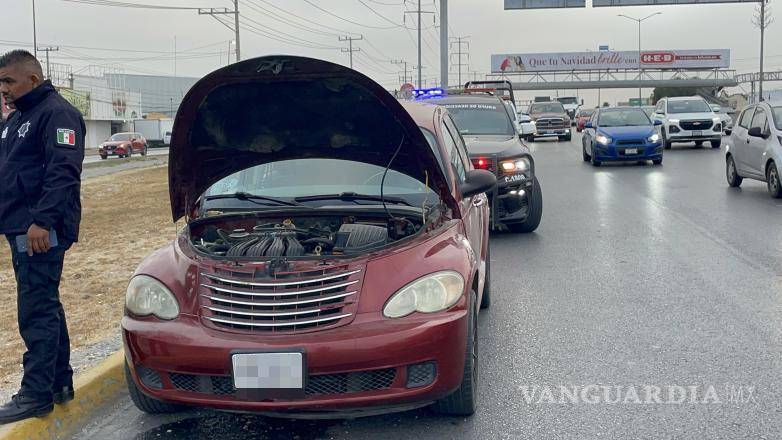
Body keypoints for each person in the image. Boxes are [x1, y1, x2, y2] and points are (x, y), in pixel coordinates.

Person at [0, 50, 85, 424]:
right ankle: (58, 383)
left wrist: (43, 222)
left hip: (38, 230)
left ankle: (35, 394)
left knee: (35, 311)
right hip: (20, 226)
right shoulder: (18, 117)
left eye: (8, 81)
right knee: (45, 304)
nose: (3, 89)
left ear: (32, 79)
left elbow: (63, 171)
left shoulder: (57, 113)